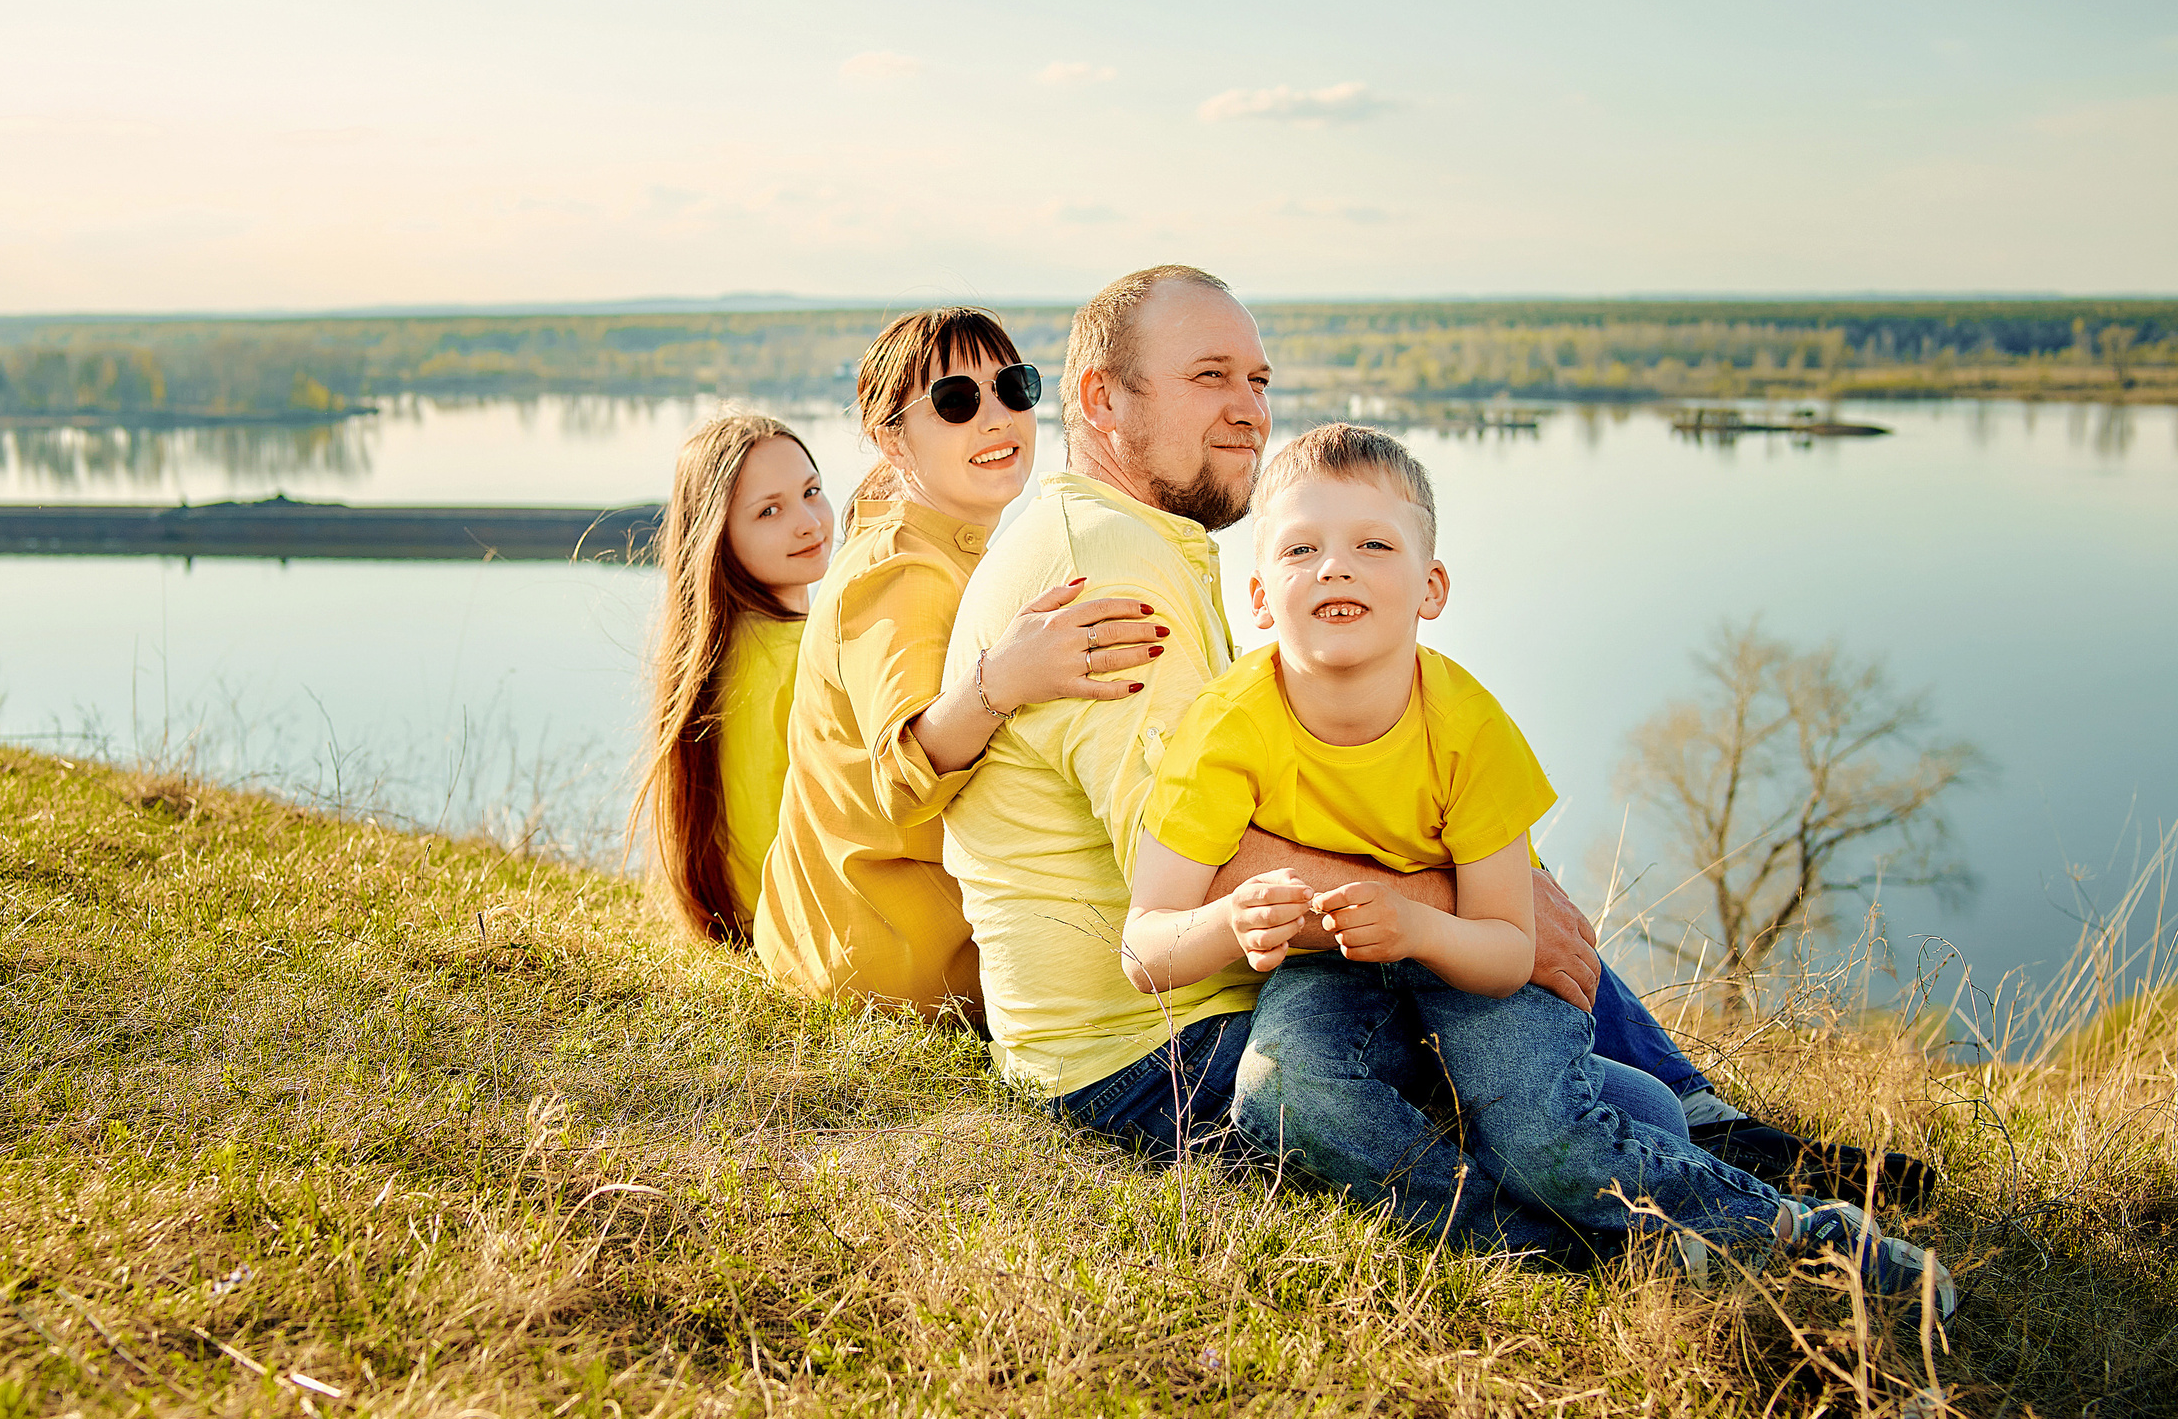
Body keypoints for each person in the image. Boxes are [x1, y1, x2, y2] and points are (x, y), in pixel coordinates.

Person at [940, 264, 1929, 1223]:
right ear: (1099, 398)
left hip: (1168, 1025)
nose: (1247, 407)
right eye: (1210, 377)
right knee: (1587, 1077)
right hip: (1151, 1065)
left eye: (1258, 380)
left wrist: (1477, 895)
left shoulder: (1137, 536)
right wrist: (1472, 912)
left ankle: (1697, 1122)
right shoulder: (1108, 568)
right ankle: (1699, 1191)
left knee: (1458, 823)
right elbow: (1200, 863)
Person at [1118, 422, 1951, 1308]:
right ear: (1257, 595)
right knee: (1282, 1099)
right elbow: (1145, 947)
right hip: (1331, 977)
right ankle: (1560, 1248)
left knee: (1540, 1130)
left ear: (1431, 587)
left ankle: (1800, 1233)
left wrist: (1415, 926)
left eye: (1373, 543)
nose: (1335, 566)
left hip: (1464, 962)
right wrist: (1227, 920)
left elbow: (1511, 950)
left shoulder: (1472, 730)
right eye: (1301, 548)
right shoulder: (1224, 728)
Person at [752, 308, 1164, 1015]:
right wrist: (1004, 678)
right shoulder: (902, 573)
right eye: (955, 402)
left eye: (1013, 388)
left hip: (860, 932)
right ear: (892, 437)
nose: (995, 417)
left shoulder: (944, 547)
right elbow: (900, 777)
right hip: (893, 958)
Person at [631, 413, 836, 944]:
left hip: (747, 923)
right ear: (717, 536)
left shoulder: (711, 657)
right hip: (816, 935)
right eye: (769, 510)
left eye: (812, 491)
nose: (808, 522)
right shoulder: (805, 654)